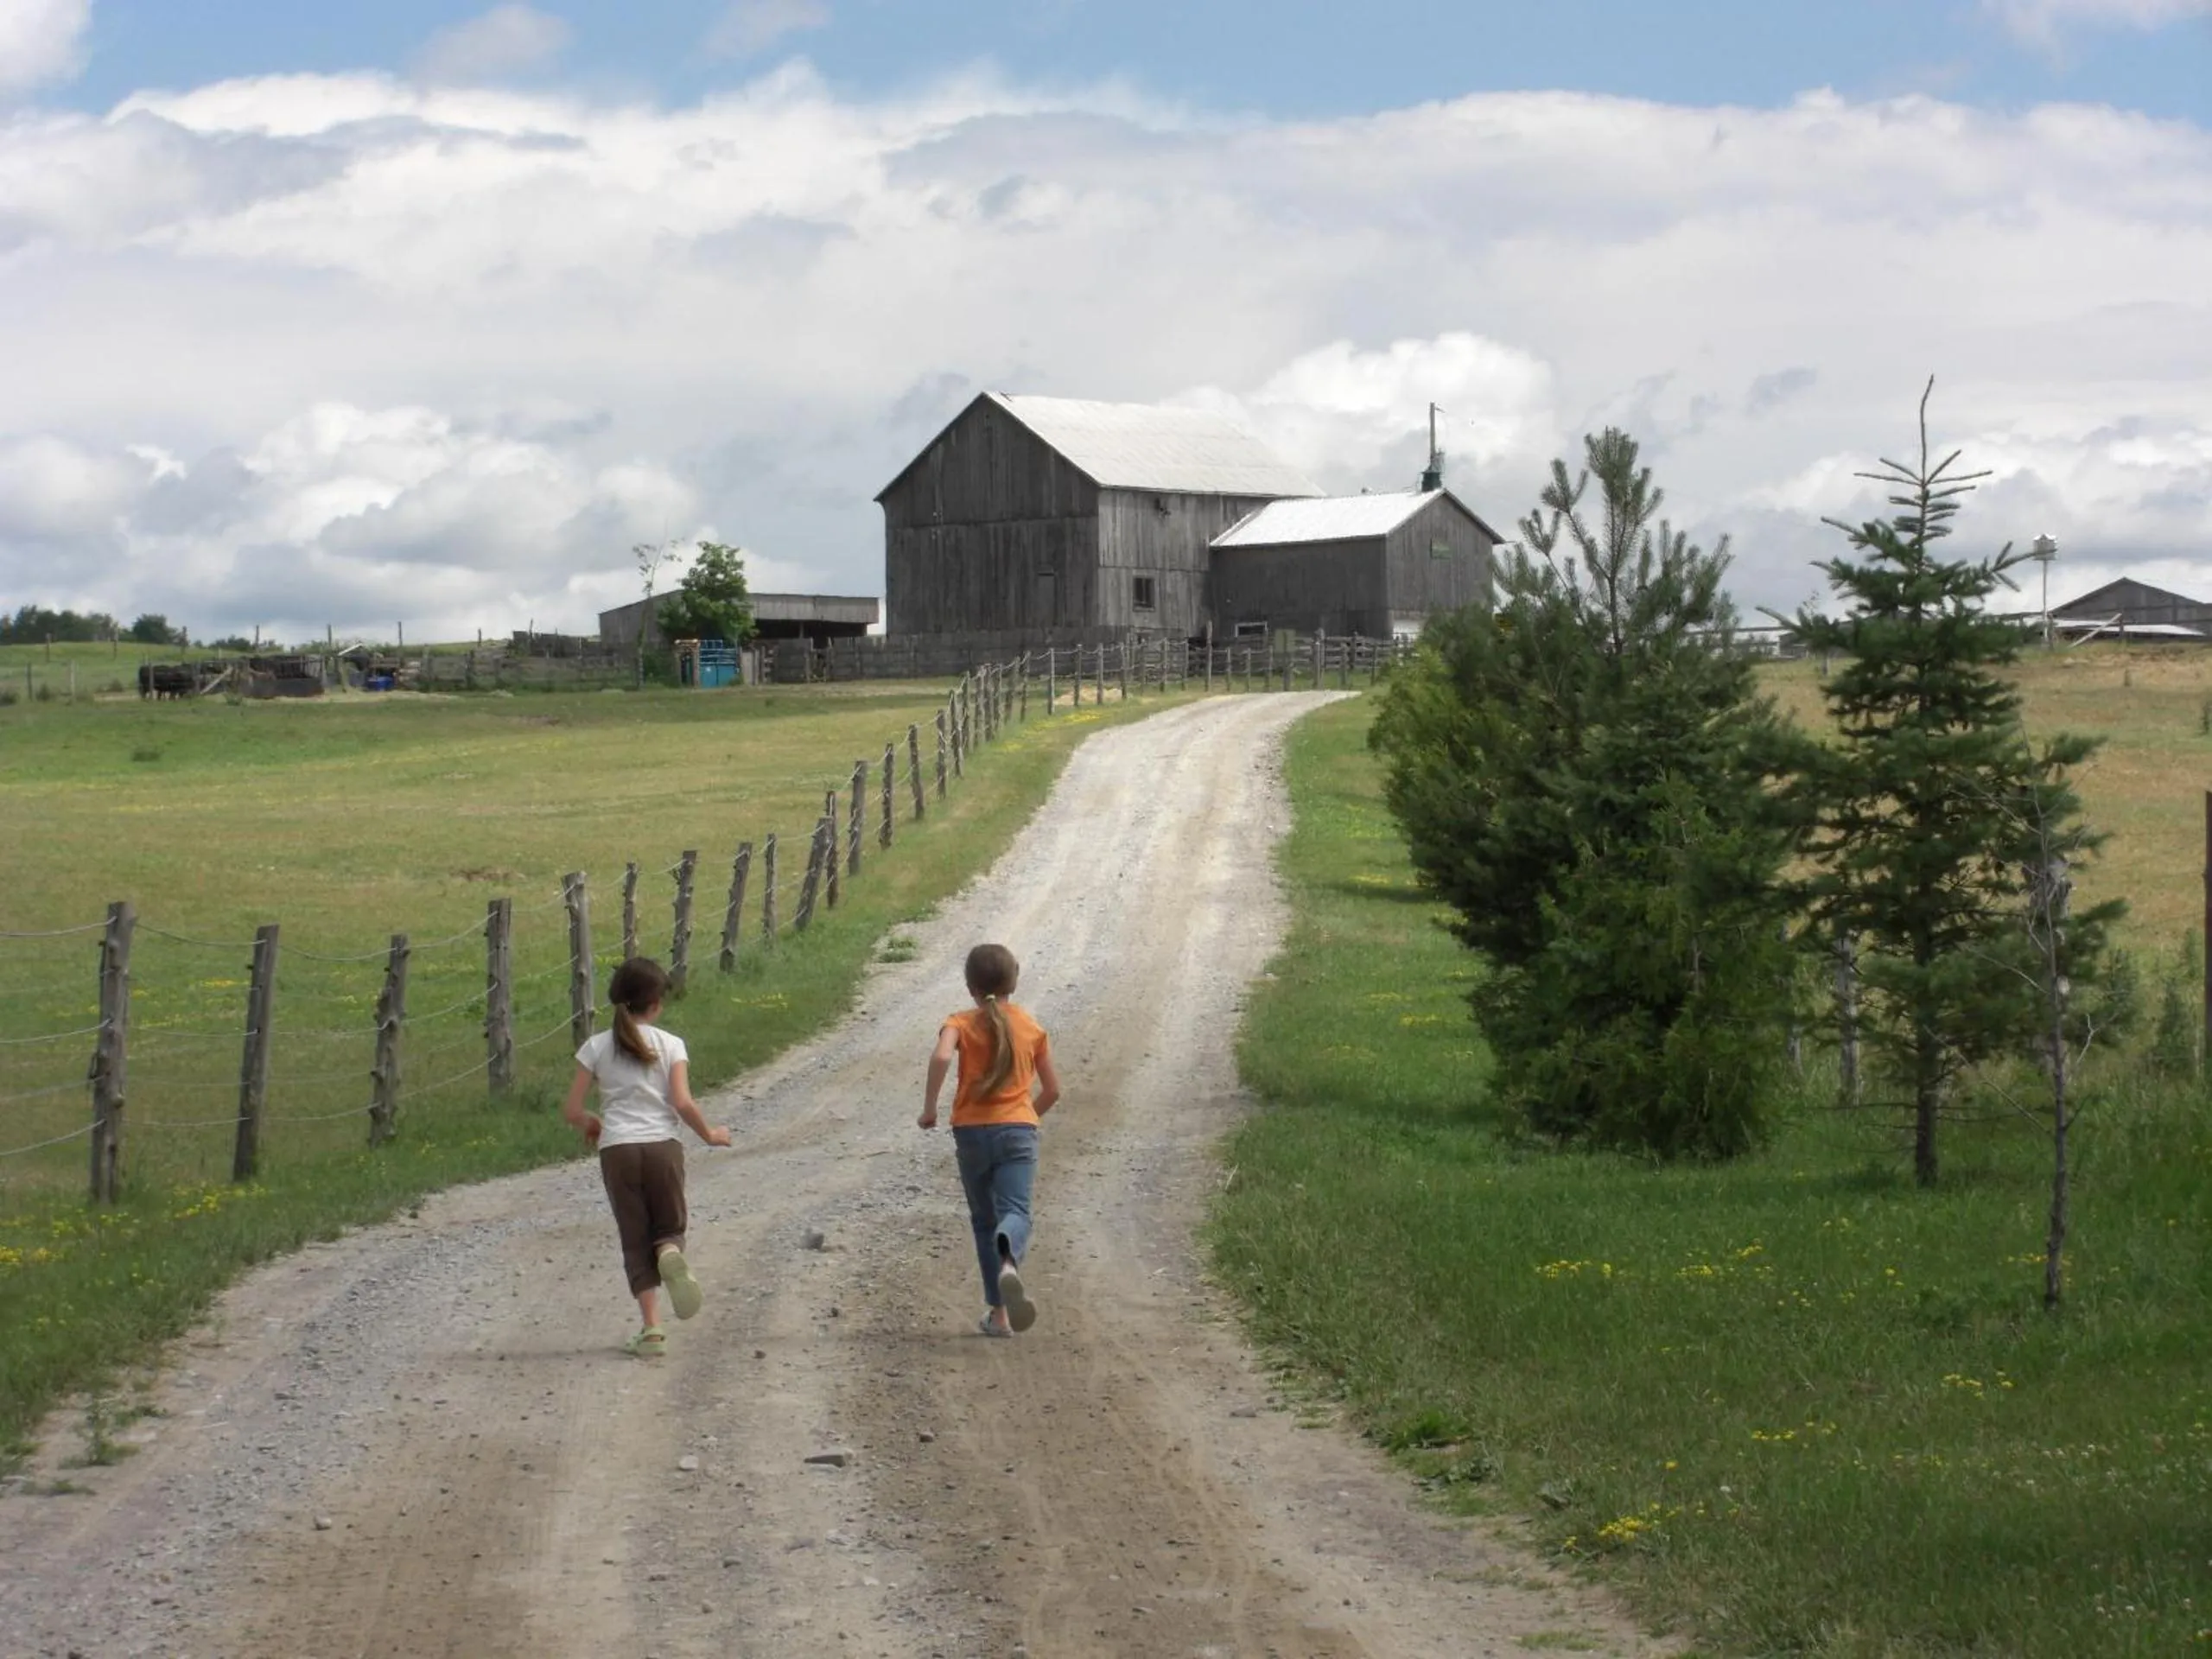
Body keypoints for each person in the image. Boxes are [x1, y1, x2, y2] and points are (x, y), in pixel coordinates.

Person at [562, 957, 730, 1358]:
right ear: (655, 1003)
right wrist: (710, 1134)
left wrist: (591, 1123)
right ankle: (670, 1250)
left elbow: (571, 1110)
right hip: (662, 1147)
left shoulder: (595, 1047)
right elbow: (683, 1102)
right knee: (667, 1228)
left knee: (634, 1239)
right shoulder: (671, 1044)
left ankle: (652, 1329)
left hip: (618, 1150)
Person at [919, 943, 1061, 1337]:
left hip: (970, 1133)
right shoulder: (1031, 1027)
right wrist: (1026, 1117)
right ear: (1014, 982)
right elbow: (1052, 1090)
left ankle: (999, 1317)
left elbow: (943, 1057)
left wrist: (930, 1108)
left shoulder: (959, 1022)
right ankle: (1009, 1259)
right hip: (1018, 1130)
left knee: (984, 1221)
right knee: (1015, 1211)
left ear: (971, 988)